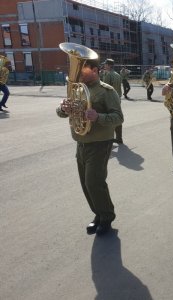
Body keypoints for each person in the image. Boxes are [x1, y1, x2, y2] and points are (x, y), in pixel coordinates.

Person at [56, 58, 124, 235]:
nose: (78, 74)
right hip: (81, 142)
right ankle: (98, 214)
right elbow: (61, 112)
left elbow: (118, 118)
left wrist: (98, 117)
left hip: (100, 143)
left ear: (95, 70)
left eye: (82, 70)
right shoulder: (77, 89)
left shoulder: (106, 91)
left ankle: (107, 216)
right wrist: (63, 109)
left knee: (94, 182)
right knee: (85, 184)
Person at [103, 58, 124, 144]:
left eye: (105, 64)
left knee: (108, 119)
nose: (104, 66)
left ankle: (108, 139)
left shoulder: (108, 75)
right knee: (117, 118)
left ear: (108, 65)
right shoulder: (117, 74)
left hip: (110, 100)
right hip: (117, 98)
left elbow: (104, 88)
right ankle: (119, 138)